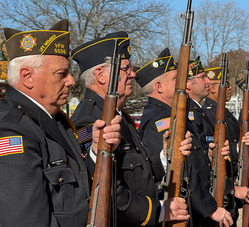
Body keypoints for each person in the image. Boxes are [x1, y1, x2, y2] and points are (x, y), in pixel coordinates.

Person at [0, 20, 121, 227]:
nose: (71, 81)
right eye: (61, 73)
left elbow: (81, 186)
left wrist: (96, 151)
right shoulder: (12, 130)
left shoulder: (56, 121)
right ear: (28, 77)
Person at [70, 32, 191, 226]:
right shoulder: (90, 121)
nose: (133, 74)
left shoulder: (119, 115)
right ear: (101, 75)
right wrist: (158, 210)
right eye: (126, 69)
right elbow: (105, 189)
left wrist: (166, 154)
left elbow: (140, 172)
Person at [136, 48, 237, 227]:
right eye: (176, 79)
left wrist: (210, 157)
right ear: (159, 87)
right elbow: (181, 169)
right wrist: (210, 208)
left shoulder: (173, 114)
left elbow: (194, 159)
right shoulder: (160, 119)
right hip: (184, 210)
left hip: (194, 207)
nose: (184, 84)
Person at [187, 59, 249, 224]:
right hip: (213, 193)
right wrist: (230, 187)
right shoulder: (204, 113)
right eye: (224, 84)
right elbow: (198, 163)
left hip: (226, 181)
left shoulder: (209, 112)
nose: (230, 87)